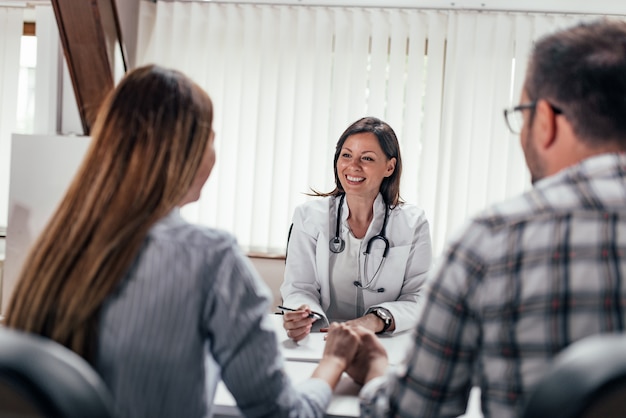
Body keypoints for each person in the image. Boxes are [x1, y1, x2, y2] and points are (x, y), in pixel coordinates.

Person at [4, 64, 363, 418]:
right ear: (187, 151)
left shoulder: (58, 242)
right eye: (212, 139)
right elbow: (282, 414)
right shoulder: (209, 258)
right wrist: (333, 362)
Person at [328, 18, 626, 417]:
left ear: (545, 122)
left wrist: (378, 370)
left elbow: (415, 411)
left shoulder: (494, 239)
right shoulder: (315, 215)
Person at [280, 116, 432, 341]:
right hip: (322, 339)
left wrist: (374, 320)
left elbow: (419, 296)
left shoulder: (413, 223)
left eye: (367, 158)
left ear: (389, 167)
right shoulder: (309, 217)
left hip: (385, 341)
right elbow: (299, 287)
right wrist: (303, 314)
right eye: (346, 155)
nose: (353, 166)